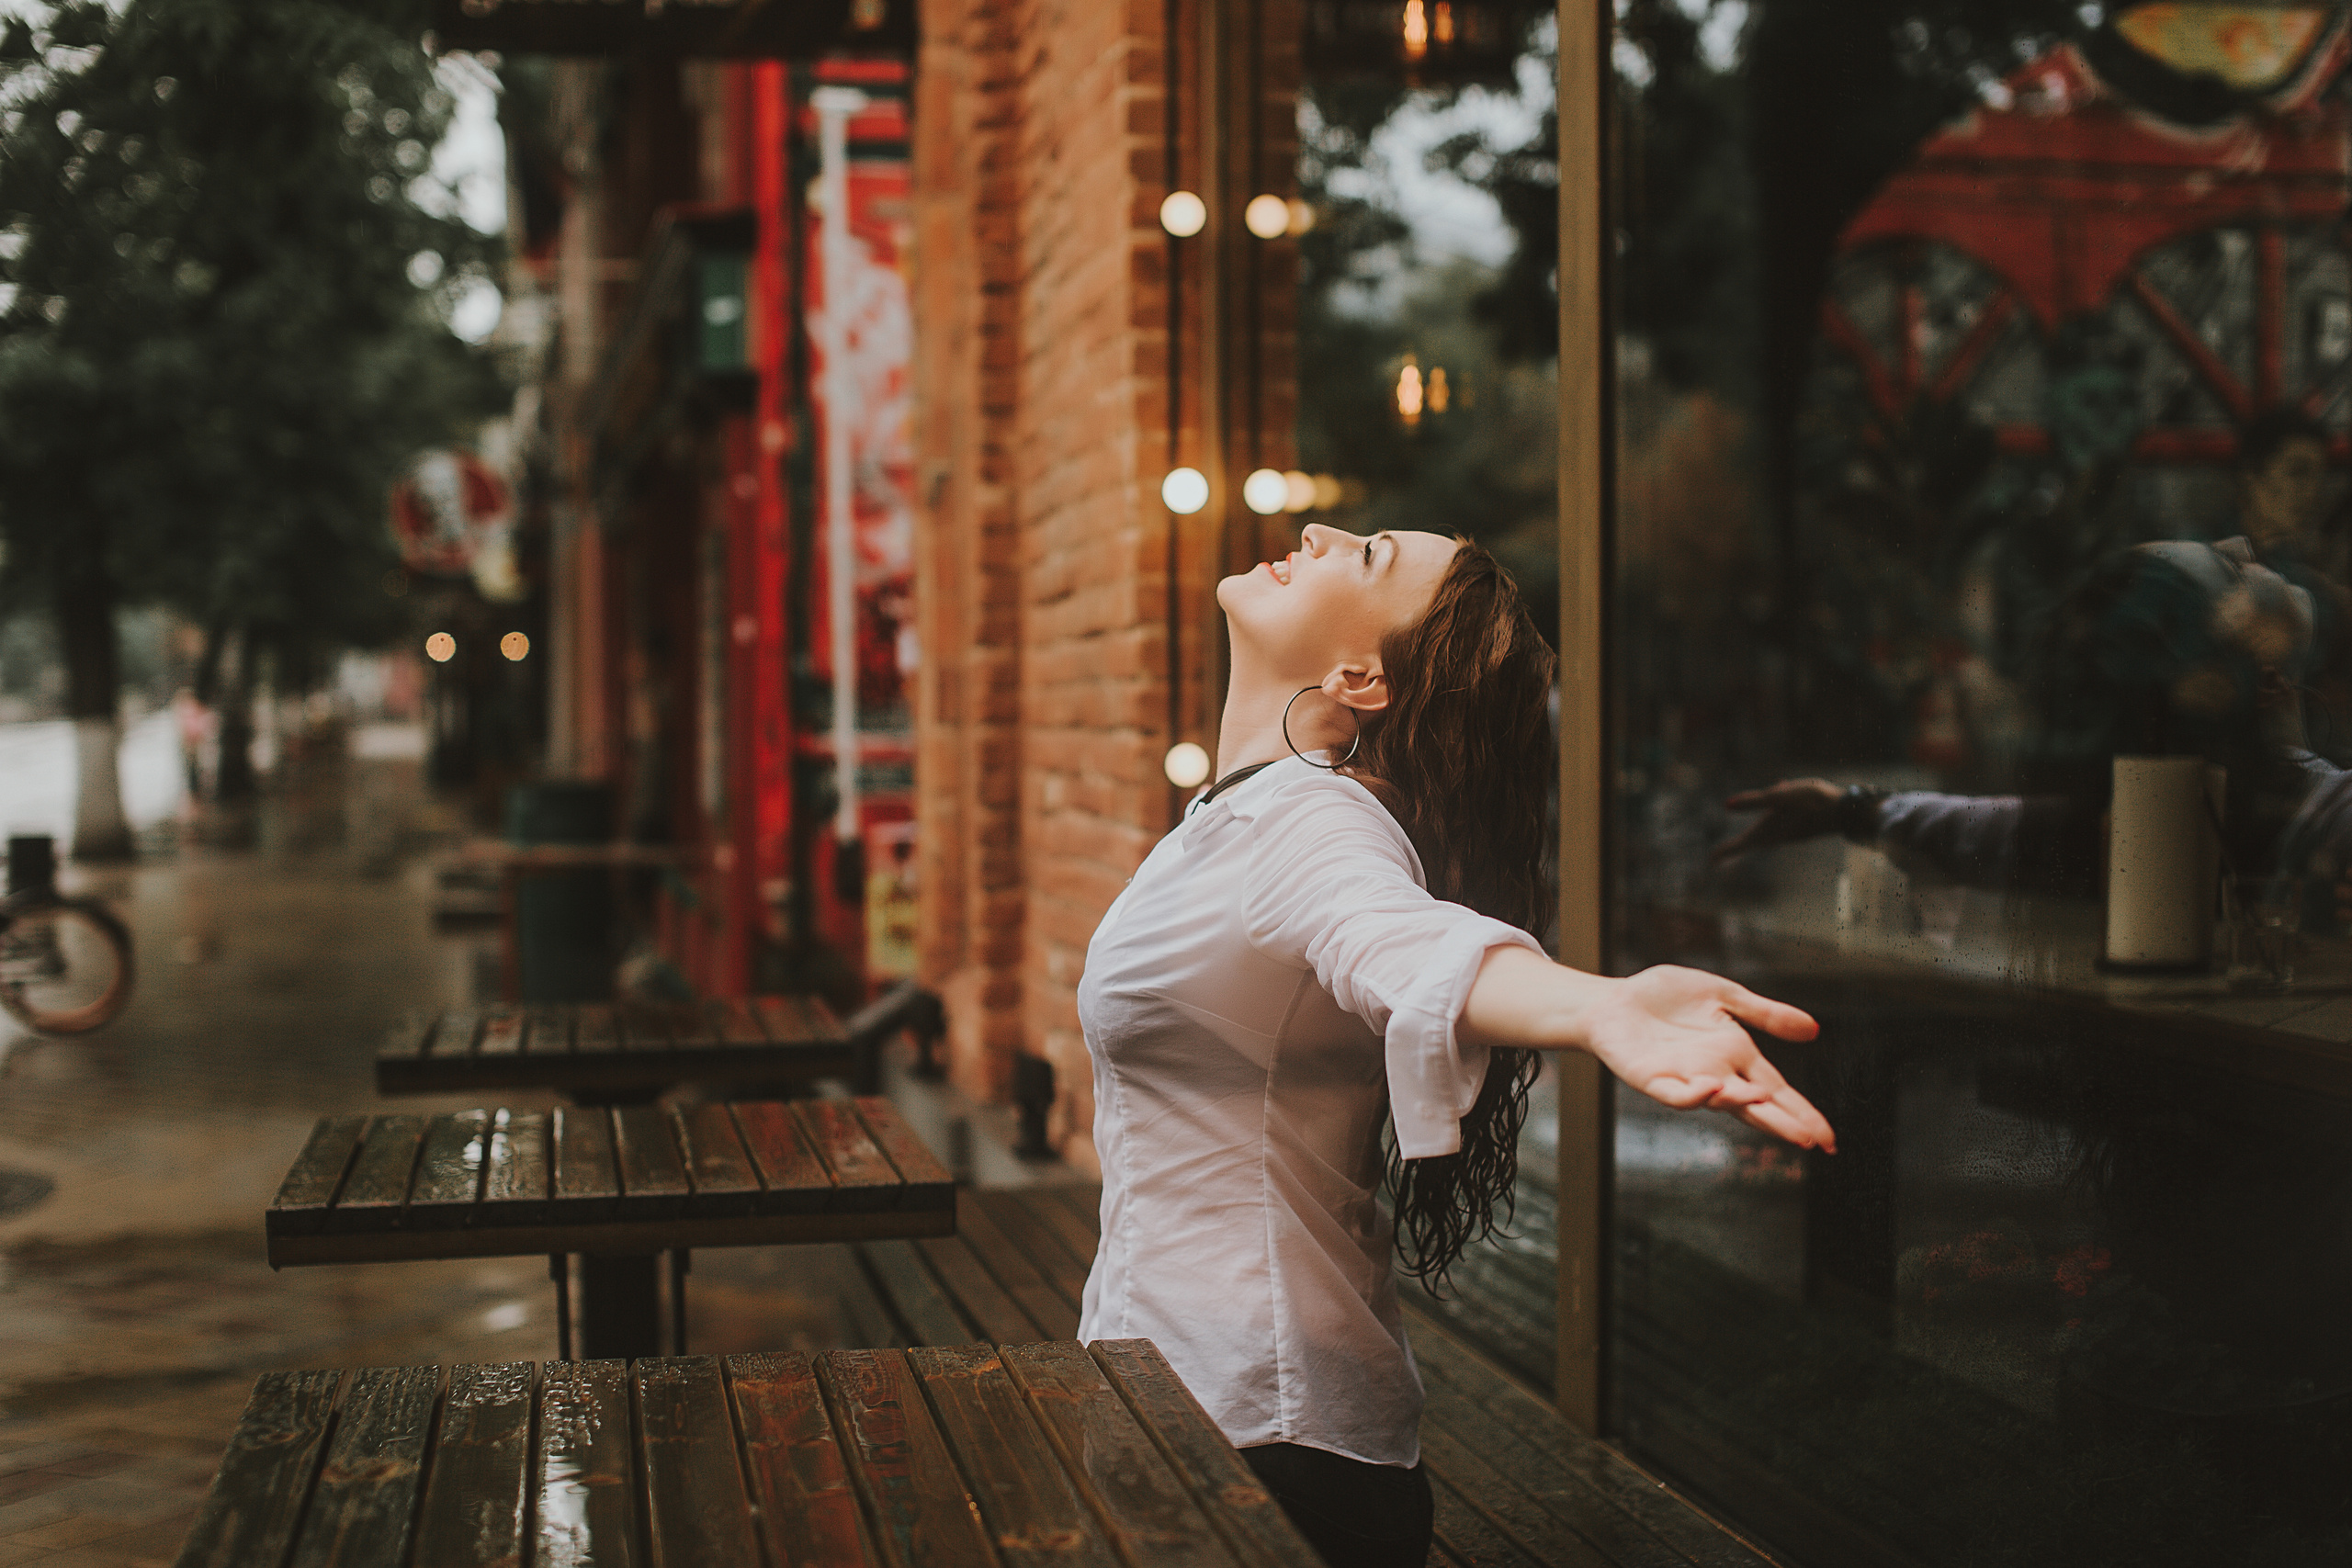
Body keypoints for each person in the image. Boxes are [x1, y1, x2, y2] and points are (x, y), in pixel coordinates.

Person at [1074, 525, 1834, 1567]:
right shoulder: (1233, 814)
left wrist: (1591, 1005)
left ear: (1360, 677)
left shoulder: (1314, 824)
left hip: (1268, 1443)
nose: (1320, 533)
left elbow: (1405, 942)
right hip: (1172, 1397)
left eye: (1368, 553)